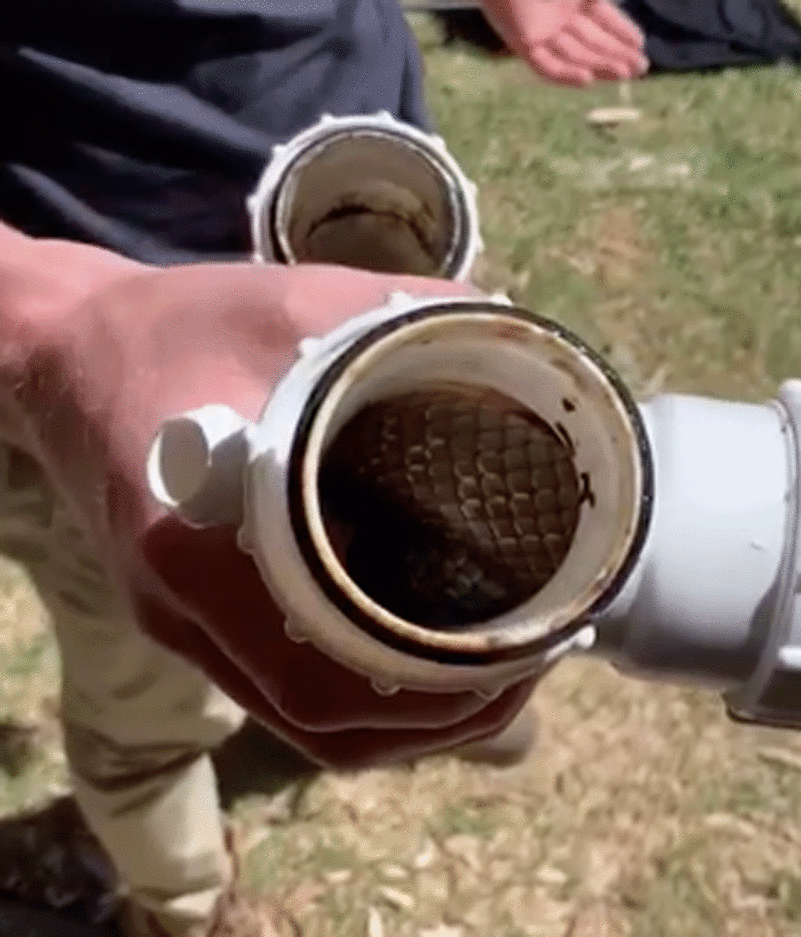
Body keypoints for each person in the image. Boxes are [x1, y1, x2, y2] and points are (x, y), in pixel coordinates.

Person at [0, 3, 646, 936]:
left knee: (444, 561)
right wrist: (46, 329)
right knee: (149, 708)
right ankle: (187, 908)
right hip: (97, 375)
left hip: (373, 242)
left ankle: (466, 699)